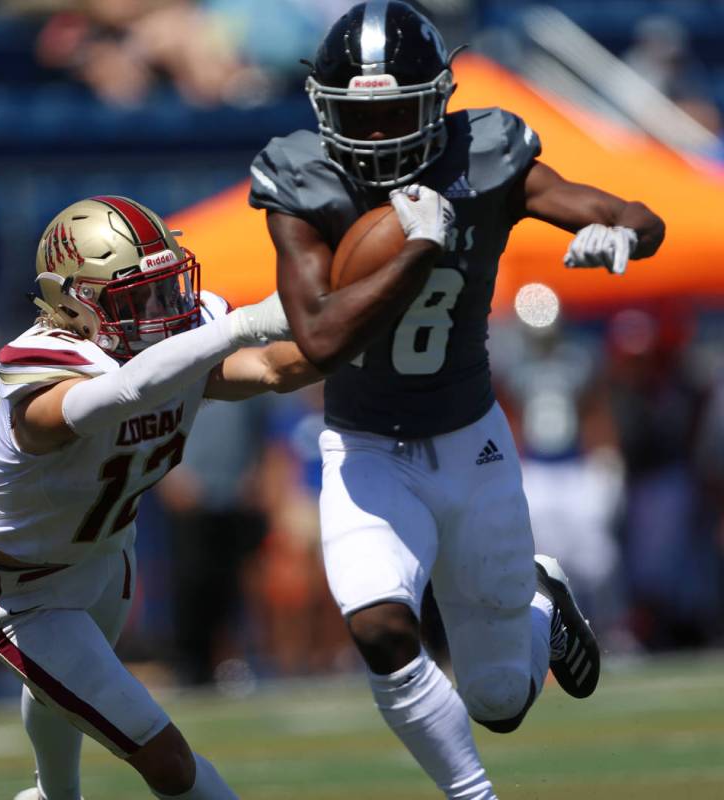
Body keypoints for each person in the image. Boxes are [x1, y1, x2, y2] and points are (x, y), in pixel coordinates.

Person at [248, 3, 665, 798]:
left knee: (501, 700)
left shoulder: (488, 152)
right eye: (360, 118)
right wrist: (417, 251)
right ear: (325, 111)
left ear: (438, 99)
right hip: (365, 444)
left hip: (470, 440)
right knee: (377, 624)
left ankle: (539, 604)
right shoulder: (303, 180)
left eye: (398, 113)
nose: (379, 139)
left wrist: (622, 234)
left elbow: (632, 212)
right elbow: (322, 338)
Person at [0, 195, 318, 800]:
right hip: (20, 590)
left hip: (107, 559)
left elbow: (277, 369)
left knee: (64, 687)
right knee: (167, 760)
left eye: (165, 289)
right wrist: (240, 325)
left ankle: (51, 797)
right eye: (135, 299)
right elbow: (118, 395)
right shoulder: (45, 368)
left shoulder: (178, 341)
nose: (162, 312)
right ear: (72, 302)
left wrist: (366, 323)